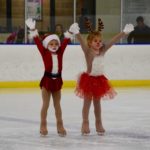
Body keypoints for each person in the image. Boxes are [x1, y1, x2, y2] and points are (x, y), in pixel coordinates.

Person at [69, 18, 134, 135]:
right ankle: (85, 122)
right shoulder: (87, 51)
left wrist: (124, 32)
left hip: (99, 80)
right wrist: (77, 33)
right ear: (90, 42)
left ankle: (98, 123)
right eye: (95, 41)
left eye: (100, 41)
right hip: (88, 80)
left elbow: (113, 41)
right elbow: (82, 42)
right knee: (87, 102)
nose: (98, 43)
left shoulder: (103, 50)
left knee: (97, 103)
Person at [25, 18, 73, 136]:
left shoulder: (60, 52)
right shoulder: (44, 52)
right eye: (51, 44)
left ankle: (60, 125)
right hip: (47, 81)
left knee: (57, 105)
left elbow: (65, 42)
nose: (54, 45)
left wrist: (70, 33)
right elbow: (37, 42)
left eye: (56, 43)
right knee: (45, 105)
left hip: (57, 81)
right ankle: (43, 124)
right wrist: (33, 29)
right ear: (47, 45)